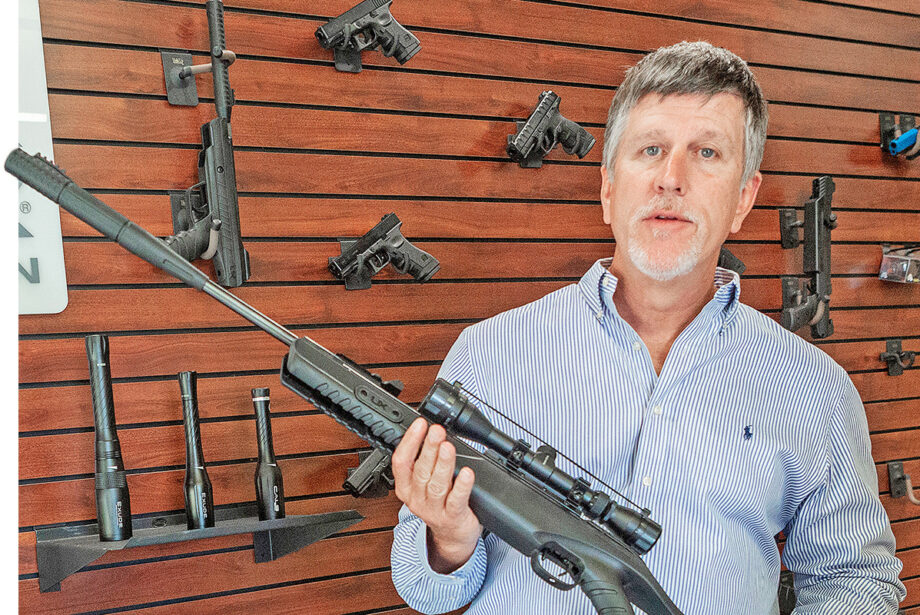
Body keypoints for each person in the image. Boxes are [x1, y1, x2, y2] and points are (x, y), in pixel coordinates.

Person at [388, 41, 907, 614]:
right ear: (608, 187)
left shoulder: (816, 388)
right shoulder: (489, 353)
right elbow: (424, 588)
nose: (671, 178)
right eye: (650, 149)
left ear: (743, 198)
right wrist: (448, 538)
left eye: (707, 152)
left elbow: (856, 579)